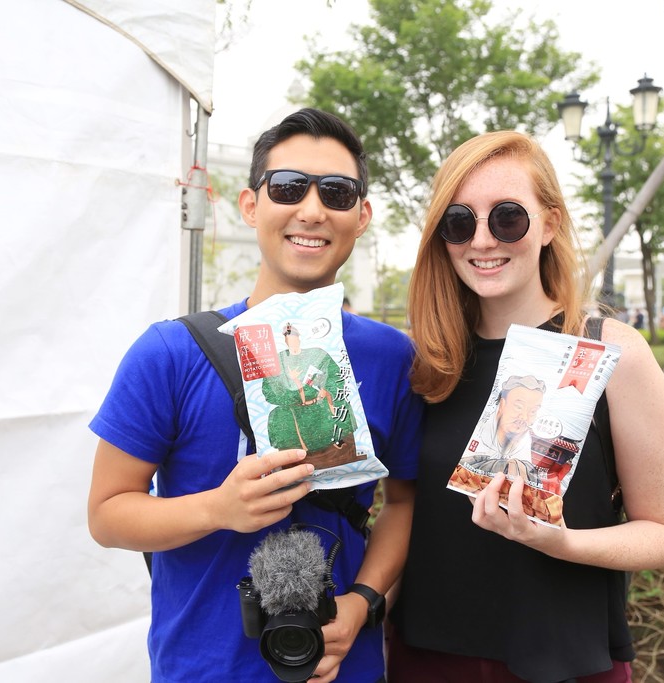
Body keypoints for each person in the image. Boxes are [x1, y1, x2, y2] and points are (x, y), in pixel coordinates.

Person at [87, 108, 423, 683]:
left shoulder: (393, 358)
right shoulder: (169, 353)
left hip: (344, 666)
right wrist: (217, 509)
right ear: (250, 205)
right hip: (202, 667)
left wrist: (363, 600)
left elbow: (403, 502)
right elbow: (106, 513)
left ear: (362, 216)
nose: (312, 210)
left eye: (337, 193)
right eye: (289, 187)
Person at [387, 131, 664, 683]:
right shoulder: (426, 363)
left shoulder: (611, 353)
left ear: (549, 224)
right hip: (427, 657)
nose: (482, 240)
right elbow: (402, 513)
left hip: (566, 660)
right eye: (459, 222)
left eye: (507, 218)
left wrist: (562, 541)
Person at [263, 322, 361, 469]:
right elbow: (269, 391)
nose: (292, 341)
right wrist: (294, 393)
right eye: (289, 339)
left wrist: (325, 390)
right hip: (293, 408)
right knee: (278, 418)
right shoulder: (277, 360)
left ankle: (341, 454)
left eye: (294, 338)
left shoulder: (317, 353)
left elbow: (336, 376)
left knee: (341, 409)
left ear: (299, 338)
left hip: (320, 403)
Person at [460, 374, 547, 487]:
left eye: (533, 411)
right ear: (502, 405)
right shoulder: (480, 429)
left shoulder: (525, 441)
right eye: (519, 407)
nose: (524, 417)